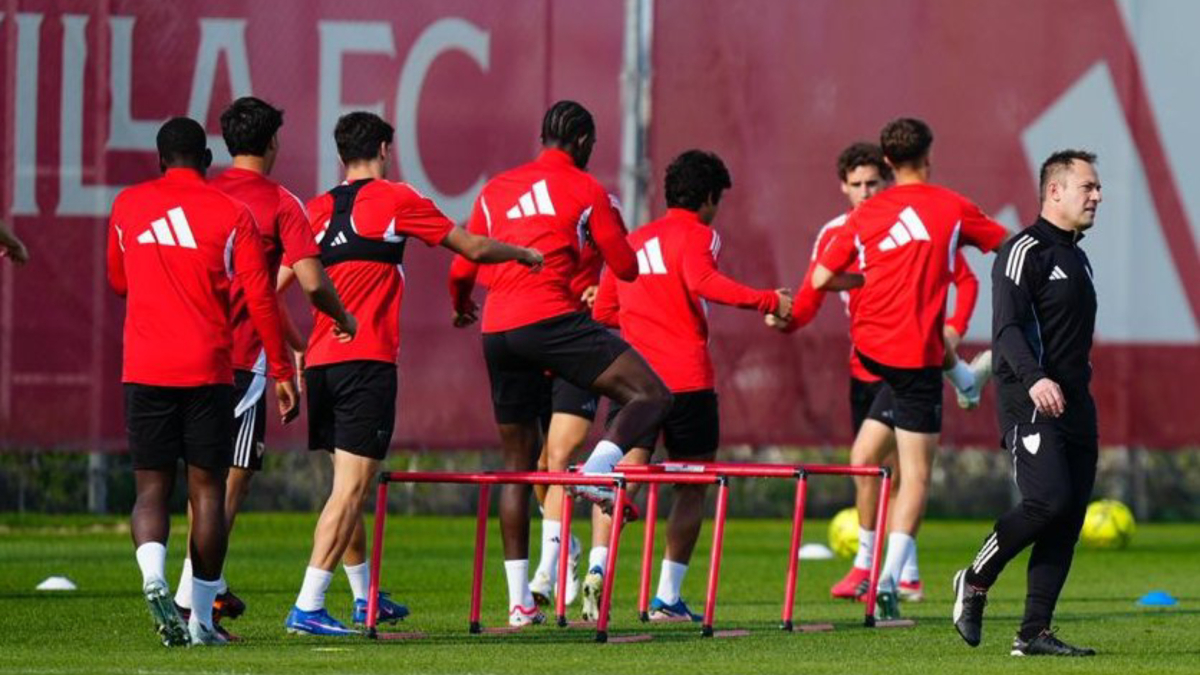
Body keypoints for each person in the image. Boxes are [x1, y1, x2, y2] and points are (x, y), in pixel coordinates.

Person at [286, 111, 542, 636]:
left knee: (346, 487)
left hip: (322, 366)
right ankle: (308, 606)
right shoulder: (396, 198)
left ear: (340, 156)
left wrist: (288, 352)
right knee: (351, 491)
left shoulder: (312, 210)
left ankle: (364, 599)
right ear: (383, 148)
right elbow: (470, 246)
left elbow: (277, 284)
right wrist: (522, 253)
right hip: (366, 361)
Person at [454, 100, 671, 627]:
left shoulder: (498, 186)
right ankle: (597, 473)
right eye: (591, 145)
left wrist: (460, 303)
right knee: (652, 395)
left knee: (518, 464)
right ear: (582, 141)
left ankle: (520, 603)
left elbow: (465, 262)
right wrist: (607, 233)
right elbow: (626, 265)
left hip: (497, 330)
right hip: (551, 320)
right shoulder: (587, 188)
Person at [771, 142, 991, 603]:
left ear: (888, 179)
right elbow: (812, 295)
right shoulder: (839, 231)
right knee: (874, 468)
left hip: (906, 361)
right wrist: (785, 319)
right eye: (857, 185)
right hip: (866, 363)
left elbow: (965, 278)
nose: (866, 191)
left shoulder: (912, 220)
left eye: (874, 182)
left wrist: (952, 329)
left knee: (879, 461)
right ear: (843, 187)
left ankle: (878, 570)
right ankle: (895, 573)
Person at [107, 117, 297, 646]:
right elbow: (261, 299)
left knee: (150, 489)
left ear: (159, 159)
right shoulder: (232, 213)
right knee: (207, 491)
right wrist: (282, 370)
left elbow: (117, 281)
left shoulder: (127, 205)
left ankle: (152, 578)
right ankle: (203, 623)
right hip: (209, 369)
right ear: (207, 160)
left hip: (144, 367)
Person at [173, 97, 356, 634]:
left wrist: (293, 346)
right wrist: (339, 320)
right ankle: (194, 597)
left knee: (204, 476)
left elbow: (257, 292)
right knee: (230, 481)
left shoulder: (204, 195)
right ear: (273, 142)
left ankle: (204, 582)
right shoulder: (280, 202)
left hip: (193, 351)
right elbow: (312, 280)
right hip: (243, 359)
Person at [584, 149, 792, 622]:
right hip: (685, 380)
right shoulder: (700, 234)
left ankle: (597, 572)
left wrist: (647, 315)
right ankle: (667, 599)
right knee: (691, 485)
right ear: (708, 198)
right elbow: (704, 281)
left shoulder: (634, 240)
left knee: (618, 480)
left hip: (632, 382)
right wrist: (767, 300)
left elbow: (603, 313)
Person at [952, 150, 1102, 657]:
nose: (1097, 196)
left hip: (1077, 402)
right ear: (1055, 191)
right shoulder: (1024, 250)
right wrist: (1036, 378)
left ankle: (1033, 632)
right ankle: (974, 579)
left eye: (1097, 188)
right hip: (1030, 400)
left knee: (1068, 519)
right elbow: (1006, 330)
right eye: (1088, 187)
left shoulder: (1077, 254)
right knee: (1046, 502)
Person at [448, 213, 607, 611]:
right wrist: (464, 301)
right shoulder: (518, 218)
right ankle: (565, 546)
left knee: (558, 458)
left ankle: (545, 573)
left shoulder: (597, 208)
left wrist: (603, 293)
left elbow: (628, 267)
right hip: (530, 347)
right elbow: (464, 263)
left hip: (572, 349)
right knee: (535, 464)